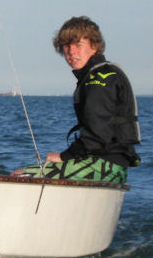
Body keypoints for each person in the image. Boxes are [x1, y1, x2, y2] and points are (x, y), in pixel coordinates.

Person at [14, 16, 140, 183]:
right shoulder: (101, 74)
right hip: (109, 164)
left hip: (104, 165)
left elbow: (97, 134)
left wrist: (65, 156)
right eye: (66, 46)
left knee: (19, 175)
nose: (71, 51)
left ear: (94, 47)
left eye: (78, 45)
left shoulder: (100, 79)